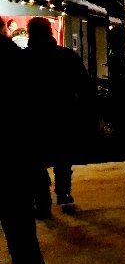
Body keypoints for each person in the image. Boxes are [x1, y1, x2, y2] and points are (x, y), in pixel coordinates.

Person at [24, 17, 96, 219]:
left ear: (30, 34)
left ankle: (42, 199)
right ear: (50, 32)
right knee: (63, 156)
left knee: (35, 159)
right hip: (64, 115)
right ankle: (63, 192)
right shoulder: (67, 56)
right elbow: (85, 87)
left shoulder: (24, 58)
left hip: (34, 118)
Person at [0, 18, 47, 264]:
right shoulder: (18, 59)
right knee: (22, 235)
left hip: (15, 154)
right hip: (16, 157)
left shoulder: (21, 57)